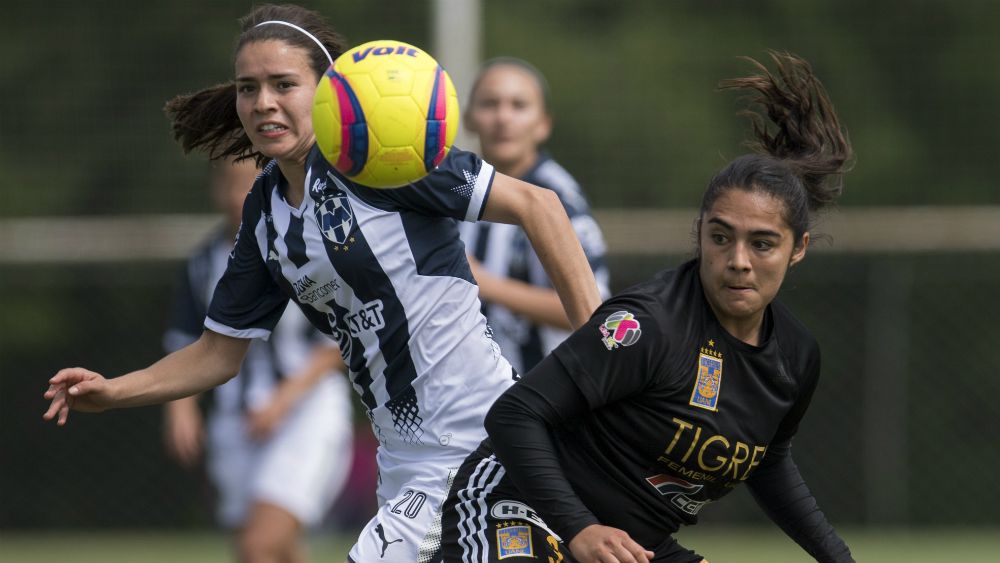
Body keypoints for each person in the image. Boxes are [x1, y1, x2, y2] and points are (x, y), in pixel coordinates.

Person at [42, 4, 603, 563]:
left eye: (283, 84)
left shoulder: (380, 153)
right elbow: (217, 354)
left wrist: (604, 359)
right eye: (248, 88)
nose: (263, 102)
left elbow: (539, 205)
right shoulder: (264, 212)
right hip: (405, 460)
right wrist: (115, 391)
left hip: (479, 439)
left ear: (327, 88)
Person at [441, 51, 856, 563]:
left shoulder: (795, 356)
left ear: (799, 249)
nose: (739, 261)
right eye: (721, 237)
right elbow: (514, 413)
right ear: (699, 234)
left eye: (763, 244)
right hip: (520, 511)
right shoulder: (649, 324)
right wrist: (580, 529)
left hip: (635, 547)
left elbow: (767, 462)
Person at [162, 156, 354, 563]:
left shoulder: (310, 244)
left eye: (247, 184)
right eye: (228, 185)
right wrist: (181, 408)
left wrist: (285, 399)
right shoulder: (202, 262)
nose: (237, 196)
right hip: (236, 422)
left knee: (259, 545)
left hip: (306, 411)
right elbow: (186, 341)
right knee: (271, 550)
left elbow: (342, 339)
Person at [460, 57, 610, 374]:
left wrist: (487, 284)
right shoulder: (455, 189)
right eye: (490, 104)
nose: (503, 117)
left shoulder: (560, 198)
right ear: (468, 118)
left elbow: (597, 310)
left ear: (543, 124)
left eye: (518, 105)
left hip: (549, 395)